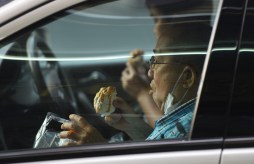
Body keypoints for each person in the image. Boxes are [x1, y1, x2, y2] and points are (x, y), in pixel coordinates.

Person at [59, 4, 212, 145]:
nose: (150, 72)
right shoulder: (184, 122)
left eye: (157, 62)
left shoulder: (184, 130)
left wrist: (98, 148)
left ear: (187, 77)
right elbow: (158, 150)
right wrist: (133, 126)